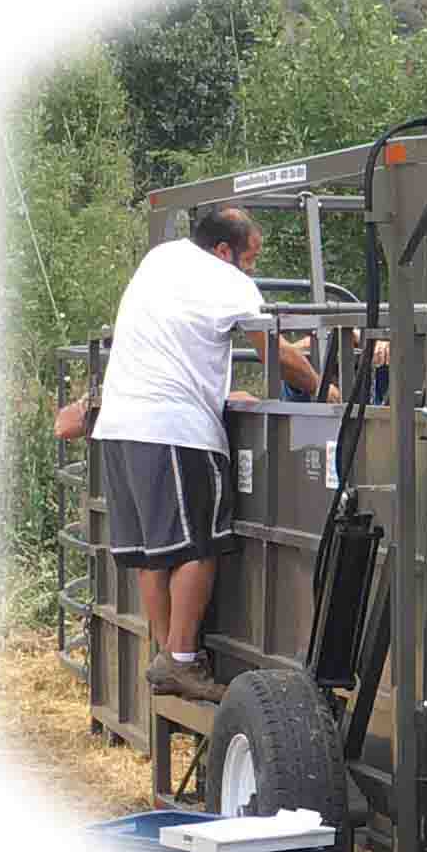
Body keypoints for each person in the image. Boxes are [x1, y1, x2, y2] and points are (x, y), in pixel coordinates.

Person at [62, 208, 284, 704]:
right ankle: (182, 659)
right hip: (175, 429)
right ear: (225, 252)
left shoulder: (162, 258)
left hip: (120, 427)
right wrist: (324, 387)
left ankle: (166, 654)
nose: (251, 269)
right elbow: (273, 349)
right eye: (250, 258)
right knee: (198, 545)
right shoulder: (229, 282)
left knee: (154, 551)